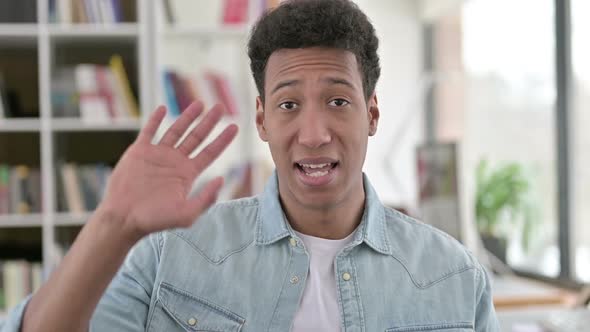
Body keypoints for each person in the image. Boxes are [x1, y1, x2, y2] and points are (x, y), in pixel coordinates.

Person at [2, 0, 499, 331]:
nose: (313, 134)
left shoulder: (455, 278)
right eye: (288, 105)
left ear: (372, 113)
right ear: (261, 119)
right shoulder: (169, 256)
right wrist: (112, 225)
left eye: (338, 102)